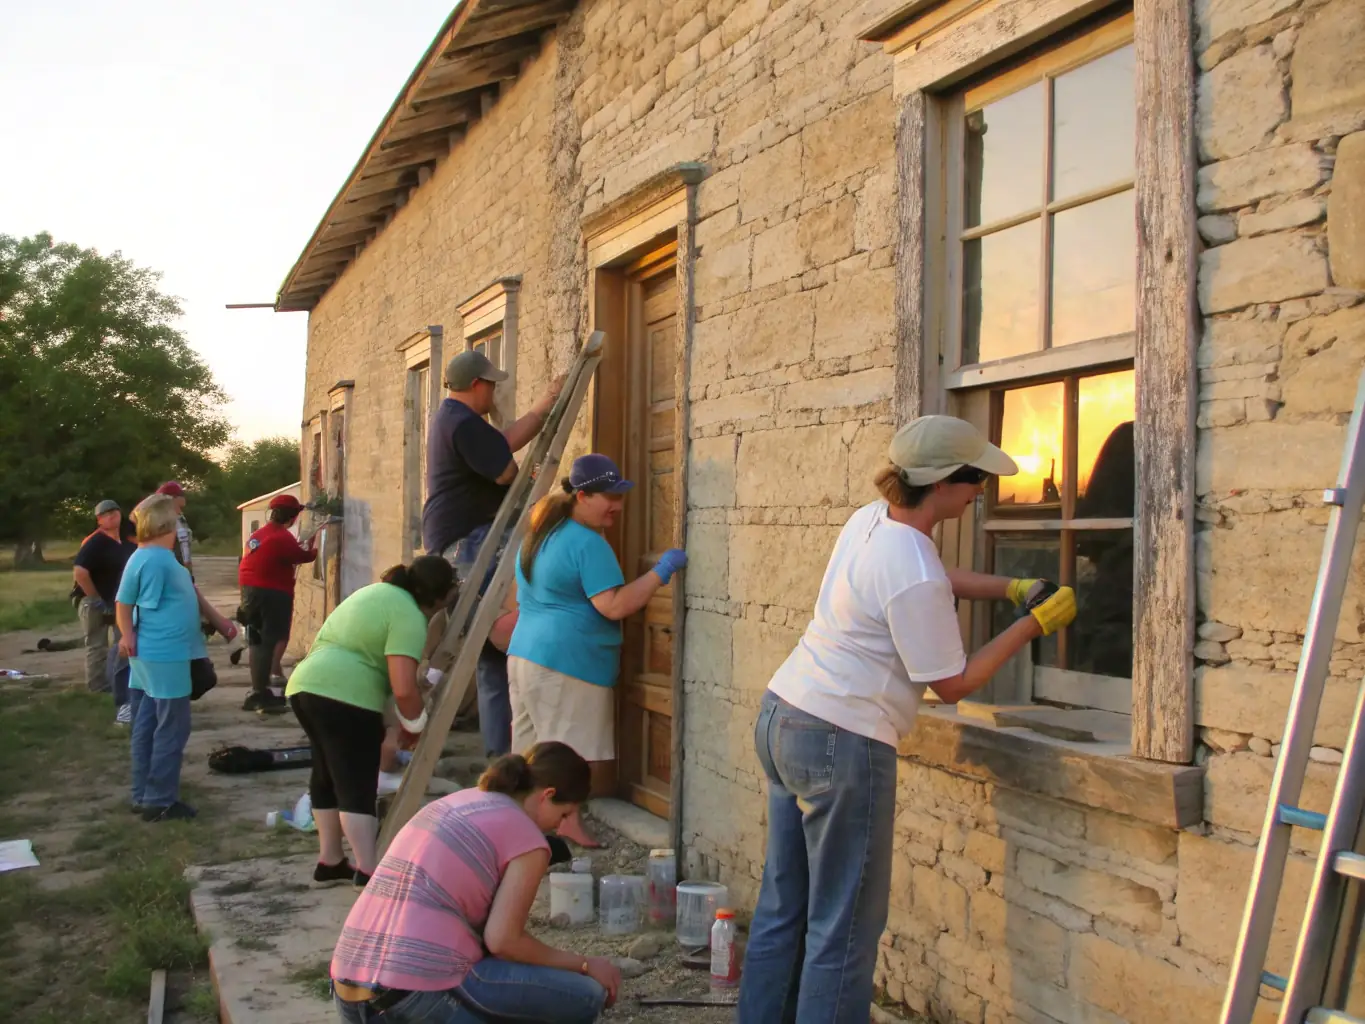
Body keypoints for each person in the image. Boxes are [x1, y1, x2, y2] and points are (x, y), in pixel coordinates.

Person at [737, 416, 1079, 1024]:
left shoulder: (871, 521)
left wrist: (1012, 587)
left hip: (785, 713)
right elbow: (950, 685)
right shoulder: (914, 565)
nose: (981, 492)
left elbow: (927, 581)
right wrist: (1034, 624)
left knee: (784, 906)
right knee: (842, 930)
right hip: (841, 743)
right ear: (944, 484)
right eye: (975, 479)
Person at [330, 742, 620, 1024]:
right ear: (547, 795)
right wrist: (584, 964)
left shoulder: (454, 802)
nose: (562, 827)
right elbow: (503, 941)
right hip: (416, 995)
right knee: (585, 995)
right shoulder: (528, 838)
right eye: (564, 814)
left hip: (348, 989)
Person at [506, 454, 686, 847]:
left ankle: (514, 829)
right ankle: (564, 826)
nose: (617, 506)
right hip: (568, 665)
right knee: (562, 758)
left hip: (525, 655)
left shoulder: (542, 532)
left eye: (620, 496)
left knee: (528, 754)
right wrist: (661, 572)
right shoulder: (587, 543)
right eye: (609, 498)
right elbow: (615, 605)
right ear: (583, 496)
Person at [420, 349, 563, 761]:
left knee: (487, 656)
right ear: (477, 385)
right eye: (492, 386)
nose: (495, 394)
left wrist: (542, 407)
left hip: (457, 538)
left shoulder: (454, 420)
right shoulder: (463, 423)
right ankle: (531, 744)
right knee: (505, 637)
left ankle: (500, 755)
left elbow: (501, 444)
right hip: (473, 540)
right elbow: (504, 470)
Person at [284, 555, 456, 888]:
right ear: (436, 596)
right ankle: (369, 870)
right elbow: (404, 688)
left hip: (306, 686)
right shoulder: (408, 614)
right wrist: (415, 726)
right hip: (345, 694)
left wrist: (397, 722)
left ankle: (331, 860)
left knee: (326, 775)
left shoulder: (376, 593)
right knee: (356, 781)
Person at [116, 495, 237, 822]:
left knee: (147, 723)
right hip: (164, 654)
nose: (182, 527)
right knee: (172, 727)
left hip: (152, 656)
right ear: (166, 524)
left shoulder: (156, 558)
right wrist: (126, 634)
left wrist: (220, 622)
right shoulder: (154, 559)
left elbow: (188, 592)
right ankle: (159, 799)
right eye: (177, 520)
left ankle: (143, 794)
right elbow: (126, 602)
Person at [238, 493, 318, 714]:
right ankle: (262, 696)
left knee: (257, 640)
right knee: (270, 641)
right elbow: (304, 557)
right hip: (272, 592)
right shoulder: (282, 537)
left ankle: (257, 691)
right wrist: (317, 544)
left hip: (250, 590)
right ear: (291, 517)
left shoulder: (259, 534)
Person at [72, 499, 135, 704]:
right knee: (96, 645)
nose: (111, 516)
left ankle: (120, 683)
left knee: (121, 643)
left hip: (118, 602)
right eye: (105, 514)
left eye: (114, 512)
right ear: (99, 520)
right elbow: (80, 572)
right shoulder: (95, 542)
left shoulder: (125, 541)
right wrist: (95, 598)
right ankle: (97, 686)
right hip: (94, 602)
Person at [155, 480, 194, 578]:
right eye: (180, 494)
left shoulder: (181, 518)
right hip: (175, 571)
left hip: (184, 570)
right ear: (172, 498)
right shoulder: (166, 520)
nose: (183, 497)